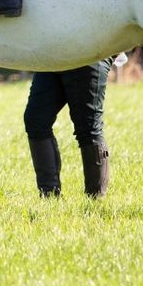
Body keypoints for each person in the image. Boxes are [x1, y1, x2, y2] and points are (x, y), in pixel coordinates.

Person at [25, 57, 115, 198]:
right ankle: (49, 196)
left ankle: (95, 199)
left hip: (89, 54)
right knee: (36, 120)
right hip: (53, 55)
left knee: (88, 127)